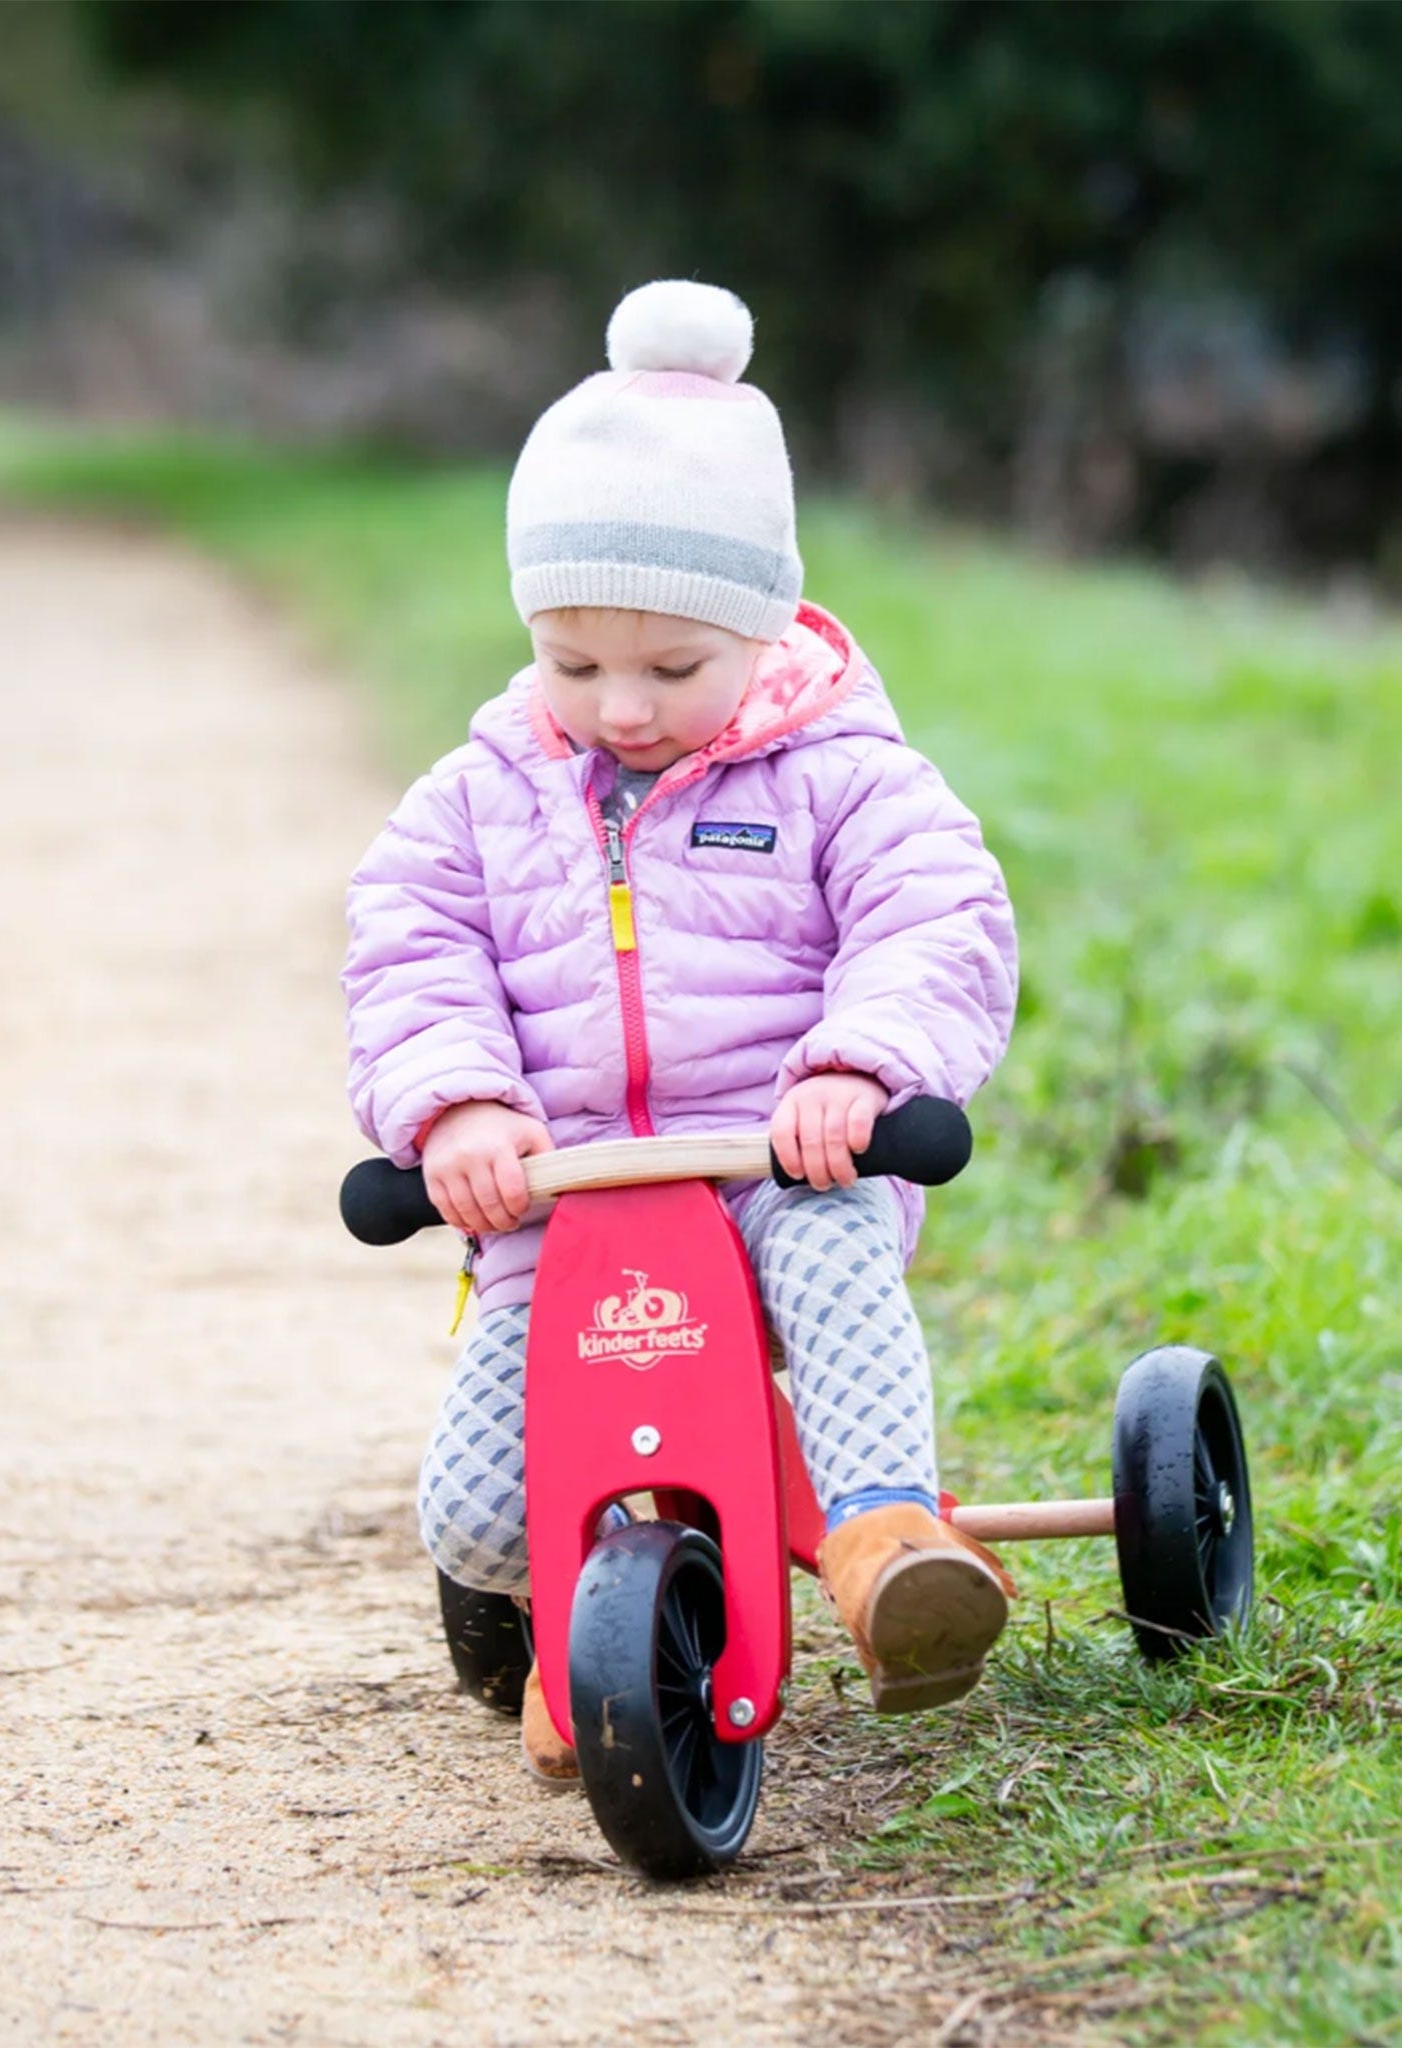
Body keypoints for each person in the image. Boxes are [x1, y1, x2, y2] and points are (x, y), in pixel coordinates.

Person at [342, 280, 1019, 1784]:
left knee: (833, 1266)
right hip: (567, 1196)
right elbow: (408, 943)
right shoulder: (485, 792)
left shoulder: (842, 774)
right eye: (575, 666)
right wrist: (454, 1105)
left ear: (762, 628)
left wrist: (858, 1068)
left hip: (779, 1160)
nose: (621, 707)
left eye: (670, 668)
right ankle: (592, 1605)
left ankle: (882, 1543)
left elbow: (935, 916)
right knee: (475, 1515)